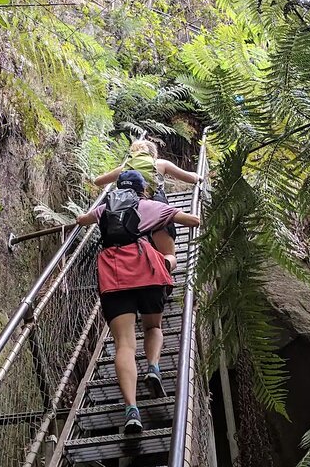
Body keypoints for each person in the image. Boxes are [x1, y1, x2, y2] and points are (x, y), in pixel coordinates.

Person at [76, 170, 200, 433]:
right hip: (147, 272)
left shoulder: (104, 209)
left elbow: (80, 220)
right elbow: (193, 221)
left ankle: (131, 409)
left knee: (124, 344)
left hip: (114, 275)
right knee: (153, 328)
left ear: (118, 188)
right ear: (142, 189)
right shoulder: (151, 206)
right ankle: (154, 366)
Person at [93, 139, 201, 272]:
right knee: (168, 255)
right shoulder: (160, 163)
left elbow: (98, 181)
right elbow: (190, 178)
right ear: (152, 153)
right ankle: (165, 268)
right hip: (156, 210)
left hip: (127, 216)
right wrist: (197, 177)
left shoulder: (125, 168)